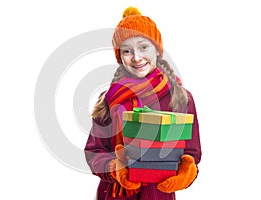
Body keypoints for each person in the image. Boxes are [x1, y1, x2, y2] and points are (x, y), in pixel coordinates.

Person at [84, 6, 202, 200]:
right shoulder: (109, 99)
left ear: (157, 49)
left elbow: (190, 152)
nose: (137, 58)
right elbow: (94, 153)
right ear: (120, 56)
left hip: (157, 196)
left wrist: (186, 171)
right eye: (127, 51)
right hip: (115, 195)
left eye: (143, 47)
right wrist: (116, 169)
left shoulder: (181, 98)